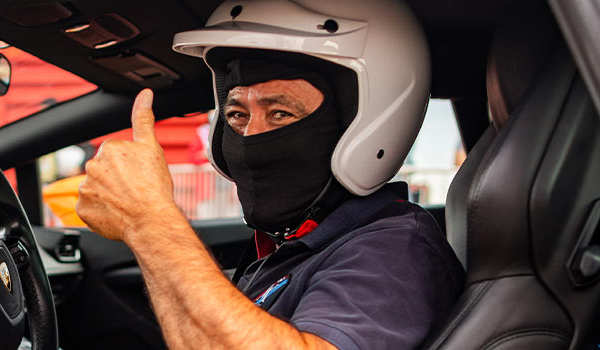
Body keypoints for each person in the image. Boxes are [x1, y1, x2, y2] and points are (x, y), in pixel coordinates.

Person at [74, 0, 465, 349]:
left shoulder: (394, 252)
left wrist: (150, 222)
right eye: (237, 115)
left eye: (281, 113)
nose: (250, 137)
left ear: (365, 126)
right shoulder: (299, 241)